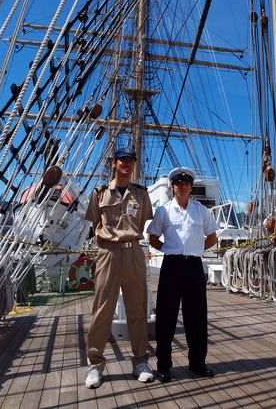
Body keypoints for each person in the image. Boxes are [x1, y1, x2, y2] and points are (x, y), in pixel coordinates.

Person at [84, 148, 154, 388]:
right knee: (102, 309)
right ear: (114, 163)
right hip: (108, 254)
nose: (126, 164)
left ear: (134, 164)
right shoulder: (99, 193)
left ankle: (140, 362)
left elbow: (143, 221)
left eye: (130, 160)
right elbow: (95, 223)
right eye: (122, 160)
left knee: (138, 309)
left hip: (134, 252)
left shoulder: (142, 195)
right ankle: (95, 365)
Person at [147, 166, 218, 383]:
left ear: (190, 186)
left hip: (194, 267)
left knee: (196, 318)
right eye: (178, 183)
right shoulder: (164, 211)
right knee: (166, 318)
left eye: (186, 183)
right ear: (173, 187)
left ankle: (197, 363)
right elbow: (153, 238)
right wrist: (171, 250)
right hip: (171, 266)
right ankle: (164, 366)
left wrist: (195, 249)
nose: (182, 186)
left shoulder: (201, 211)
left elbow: (212, 237)